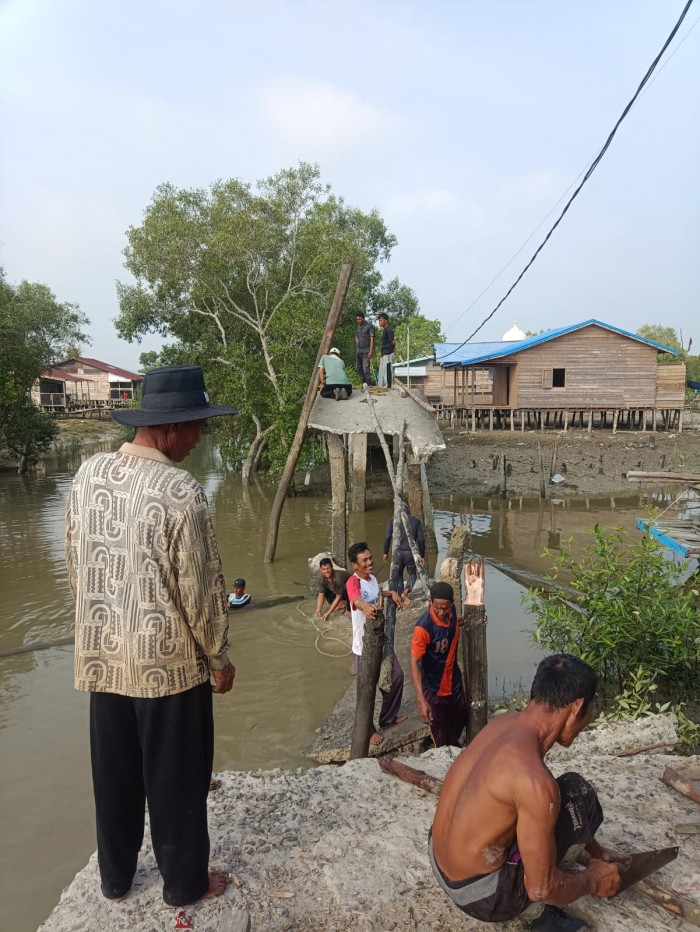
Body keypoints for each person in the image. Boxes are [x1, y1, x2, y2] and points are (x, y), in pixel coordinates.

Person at [65, 365, 238, 909]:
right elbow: (202, 590)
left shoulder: (87, 475)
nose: (198, 440)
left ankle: (115, 880)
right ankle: (183, 884)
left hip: (103, 660)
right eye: (197, 428)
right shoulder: (181, 491)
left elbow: (76, 564)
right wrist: (219, 656)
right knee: (177, 782)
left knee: (114, 777)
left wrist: (99, 625)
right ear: (172, 428)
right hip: (166, 667)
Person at [430, 654, 622, 931]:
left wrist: (596, 852)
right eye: (590, 711)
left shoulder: (502, 723)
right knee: (581, 799)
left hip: (439, 861)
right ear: (578, 706)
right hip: (481, 896)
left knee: (562, 793)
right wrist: (593, 879)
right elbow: (542, 889)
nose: (587, 721)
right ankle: (534, 915)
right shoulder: (535, 783)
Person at [346, 541, 406, 745]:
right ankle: (368, 730)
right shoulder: (352, 582)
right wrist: (364, 607)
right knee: (366, 688)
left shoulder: (371, 578)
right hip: (364, 646)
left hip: (380, 640)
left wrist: (392, 594)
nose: (370, 562)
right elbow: (355, 599)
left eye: (370, 558)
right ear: (355, 565)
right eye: (365, 560)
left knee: (396, 677)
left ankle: (387, 718)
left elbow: (377, 594)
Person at [410, 582, 467, 748]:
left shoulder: (453, 614)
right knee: (440, 733)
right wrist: (421, 700)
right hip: (434, 688)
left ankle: (454, 746)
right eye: (437, 608)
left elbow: (454, 625)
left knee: (460, 721)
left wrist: (476, 618)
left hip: (454, 683)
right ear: (430, 602)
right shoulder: (424, 628)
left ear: (452, 604)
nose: (442, 613)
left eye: (446, 608)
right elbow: (414, 662)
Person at [382, 503, 425, 606]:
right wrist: (422, 555)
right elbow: (421, 540)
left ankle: (401, 594)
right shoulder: (416, 521)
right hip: (410, 552)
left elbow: (387, 537)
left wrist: (385, 552)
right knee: (413, 574)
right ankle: (406, 591)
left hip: (397, 552)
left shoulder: (393, 520)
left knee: (399, 574)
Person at [354, 311, 374, 387]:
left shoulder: (369, 326)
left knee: (366, 368)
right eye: (357, 319)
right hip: (359, 350)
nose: (358, 321)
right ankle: (363, 383)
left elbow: (372, 338)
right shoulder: (358, 327)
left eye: (359, 319)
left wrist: (371, 350)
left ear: (363, 318)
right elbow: (356, 335)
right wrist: (357, 341)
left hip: (366, 350)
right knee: (359, 368)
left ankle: (369, 384)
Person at [377, 312, 395, 388]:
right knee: (382, 370)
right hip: (384, 353)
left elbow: (393, 342)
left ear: (386, 320)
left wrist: (392, 352)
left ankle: (388, 385)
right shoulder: (385, 330)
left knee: (387, 370)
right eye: (379, 320)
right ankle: (382, 385)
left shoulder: (389, 330)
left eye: (381, 320)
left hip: (388, 353)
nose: (379, 322)